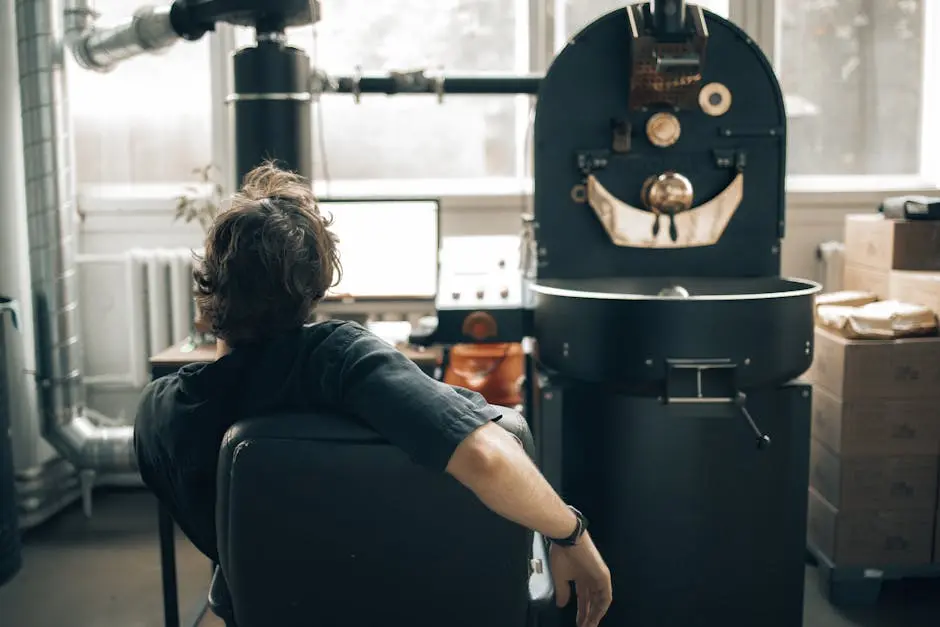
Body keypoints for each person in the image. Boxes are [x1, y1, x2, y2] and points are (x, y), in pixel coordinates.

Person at [133, 162, 612, 627]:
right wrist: (572, 533)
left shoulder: (159, 418)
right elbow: (486, 456)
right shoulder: (337, 359)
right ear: (315, 287)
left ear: (209, 291)